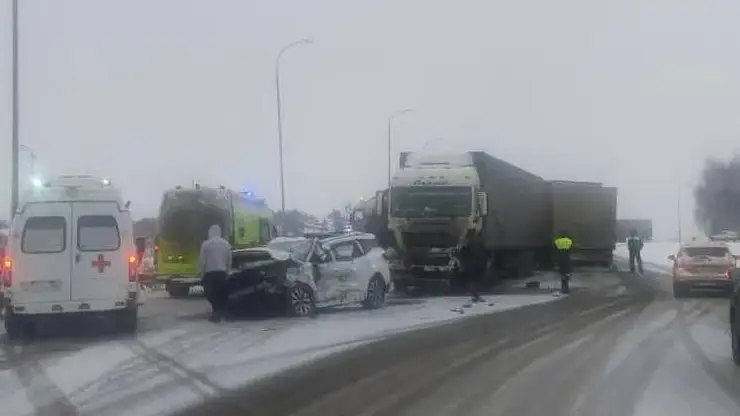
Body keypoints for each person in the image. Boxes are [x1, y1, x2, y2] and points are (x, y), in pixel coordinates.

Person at [199, 224, 232, 322]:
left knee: (210, 294)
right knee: (220, 294)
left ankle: (216, 312)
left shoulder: (206, 244)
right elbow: (229, 260)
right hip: (222, 273)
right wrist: (228, 272)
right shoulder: (226, 244)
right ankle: (220, 312)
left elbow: (202, 261)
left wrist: (202, 274)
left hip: (210, 273)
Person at [459, 229, 487, 303]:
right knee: (475, 280)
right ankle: (475, 295)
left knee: (475, 280)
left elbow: (463, 254)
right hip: (474, 264)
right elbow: (463, 254)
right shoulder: (476, 243)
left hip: (474, 264)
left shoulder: (471, 243)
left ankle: (475, 295)